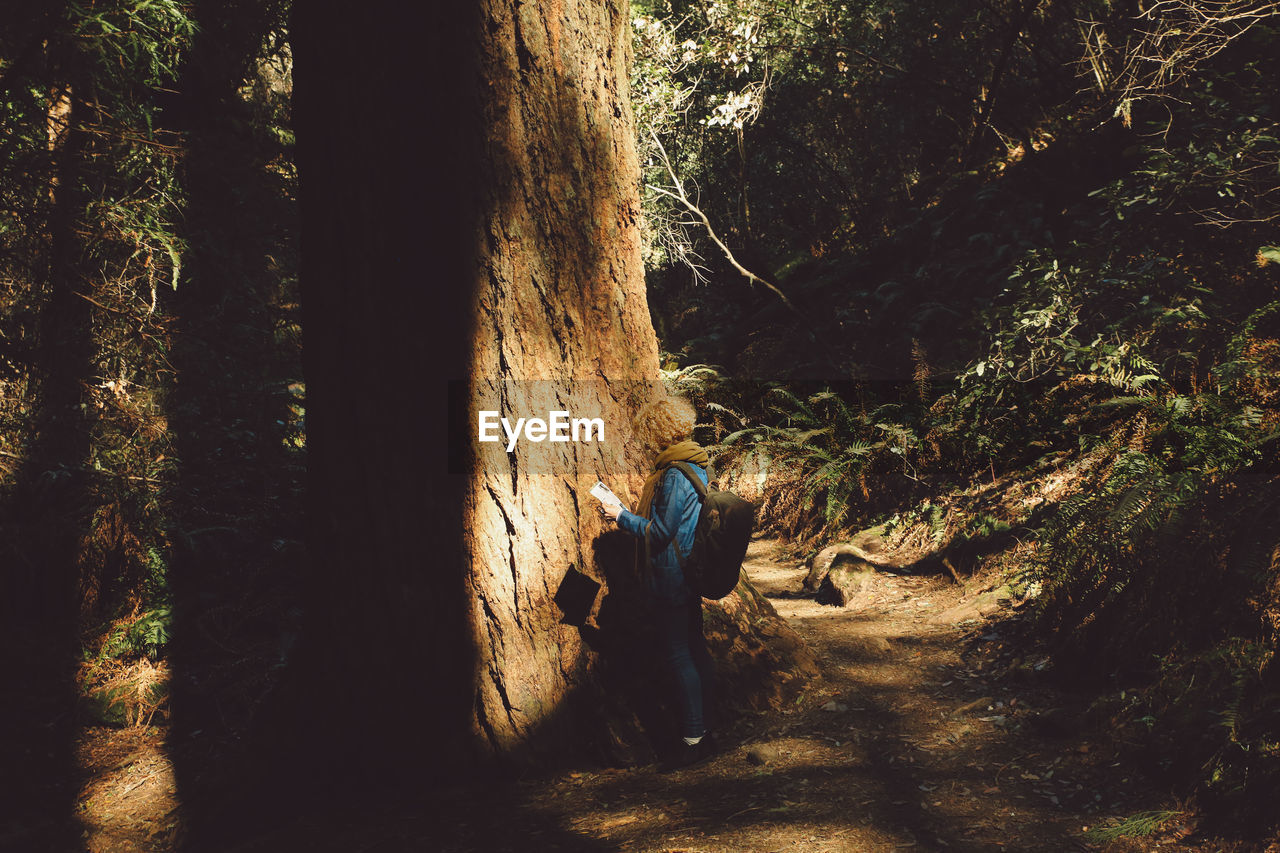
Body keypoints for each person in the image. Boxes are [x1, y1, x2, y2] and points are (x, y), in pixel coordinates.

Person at [602, 397, 718, 770]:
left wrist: (619, 515)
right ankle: (707, 731)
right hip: (689, 572)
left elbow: (662, 531)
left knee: (679, 655)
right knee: (695, 651)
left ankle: (694, 740)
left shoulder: (672, 474)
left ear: (657, 432)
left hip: (671, 577)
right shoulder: (695, 465)